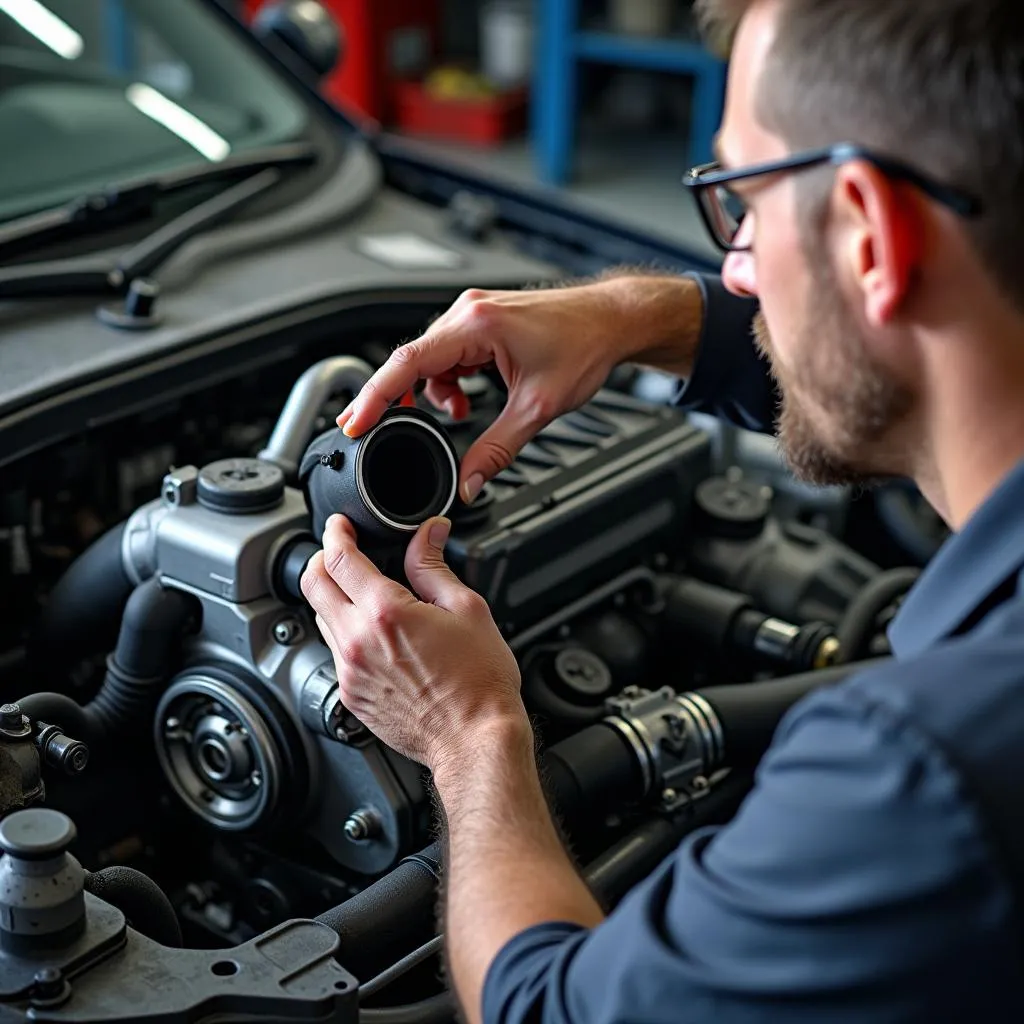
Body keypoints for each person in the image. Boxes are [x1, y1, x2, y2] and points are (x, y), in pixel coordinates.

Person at [300, 0, 1024, 1019]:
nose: (733, 269)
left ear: (868, 234)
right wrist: (637, 313)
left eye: (745, 212)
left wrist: (469, 734)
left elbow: (546, 1006)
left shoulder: (922, 776)